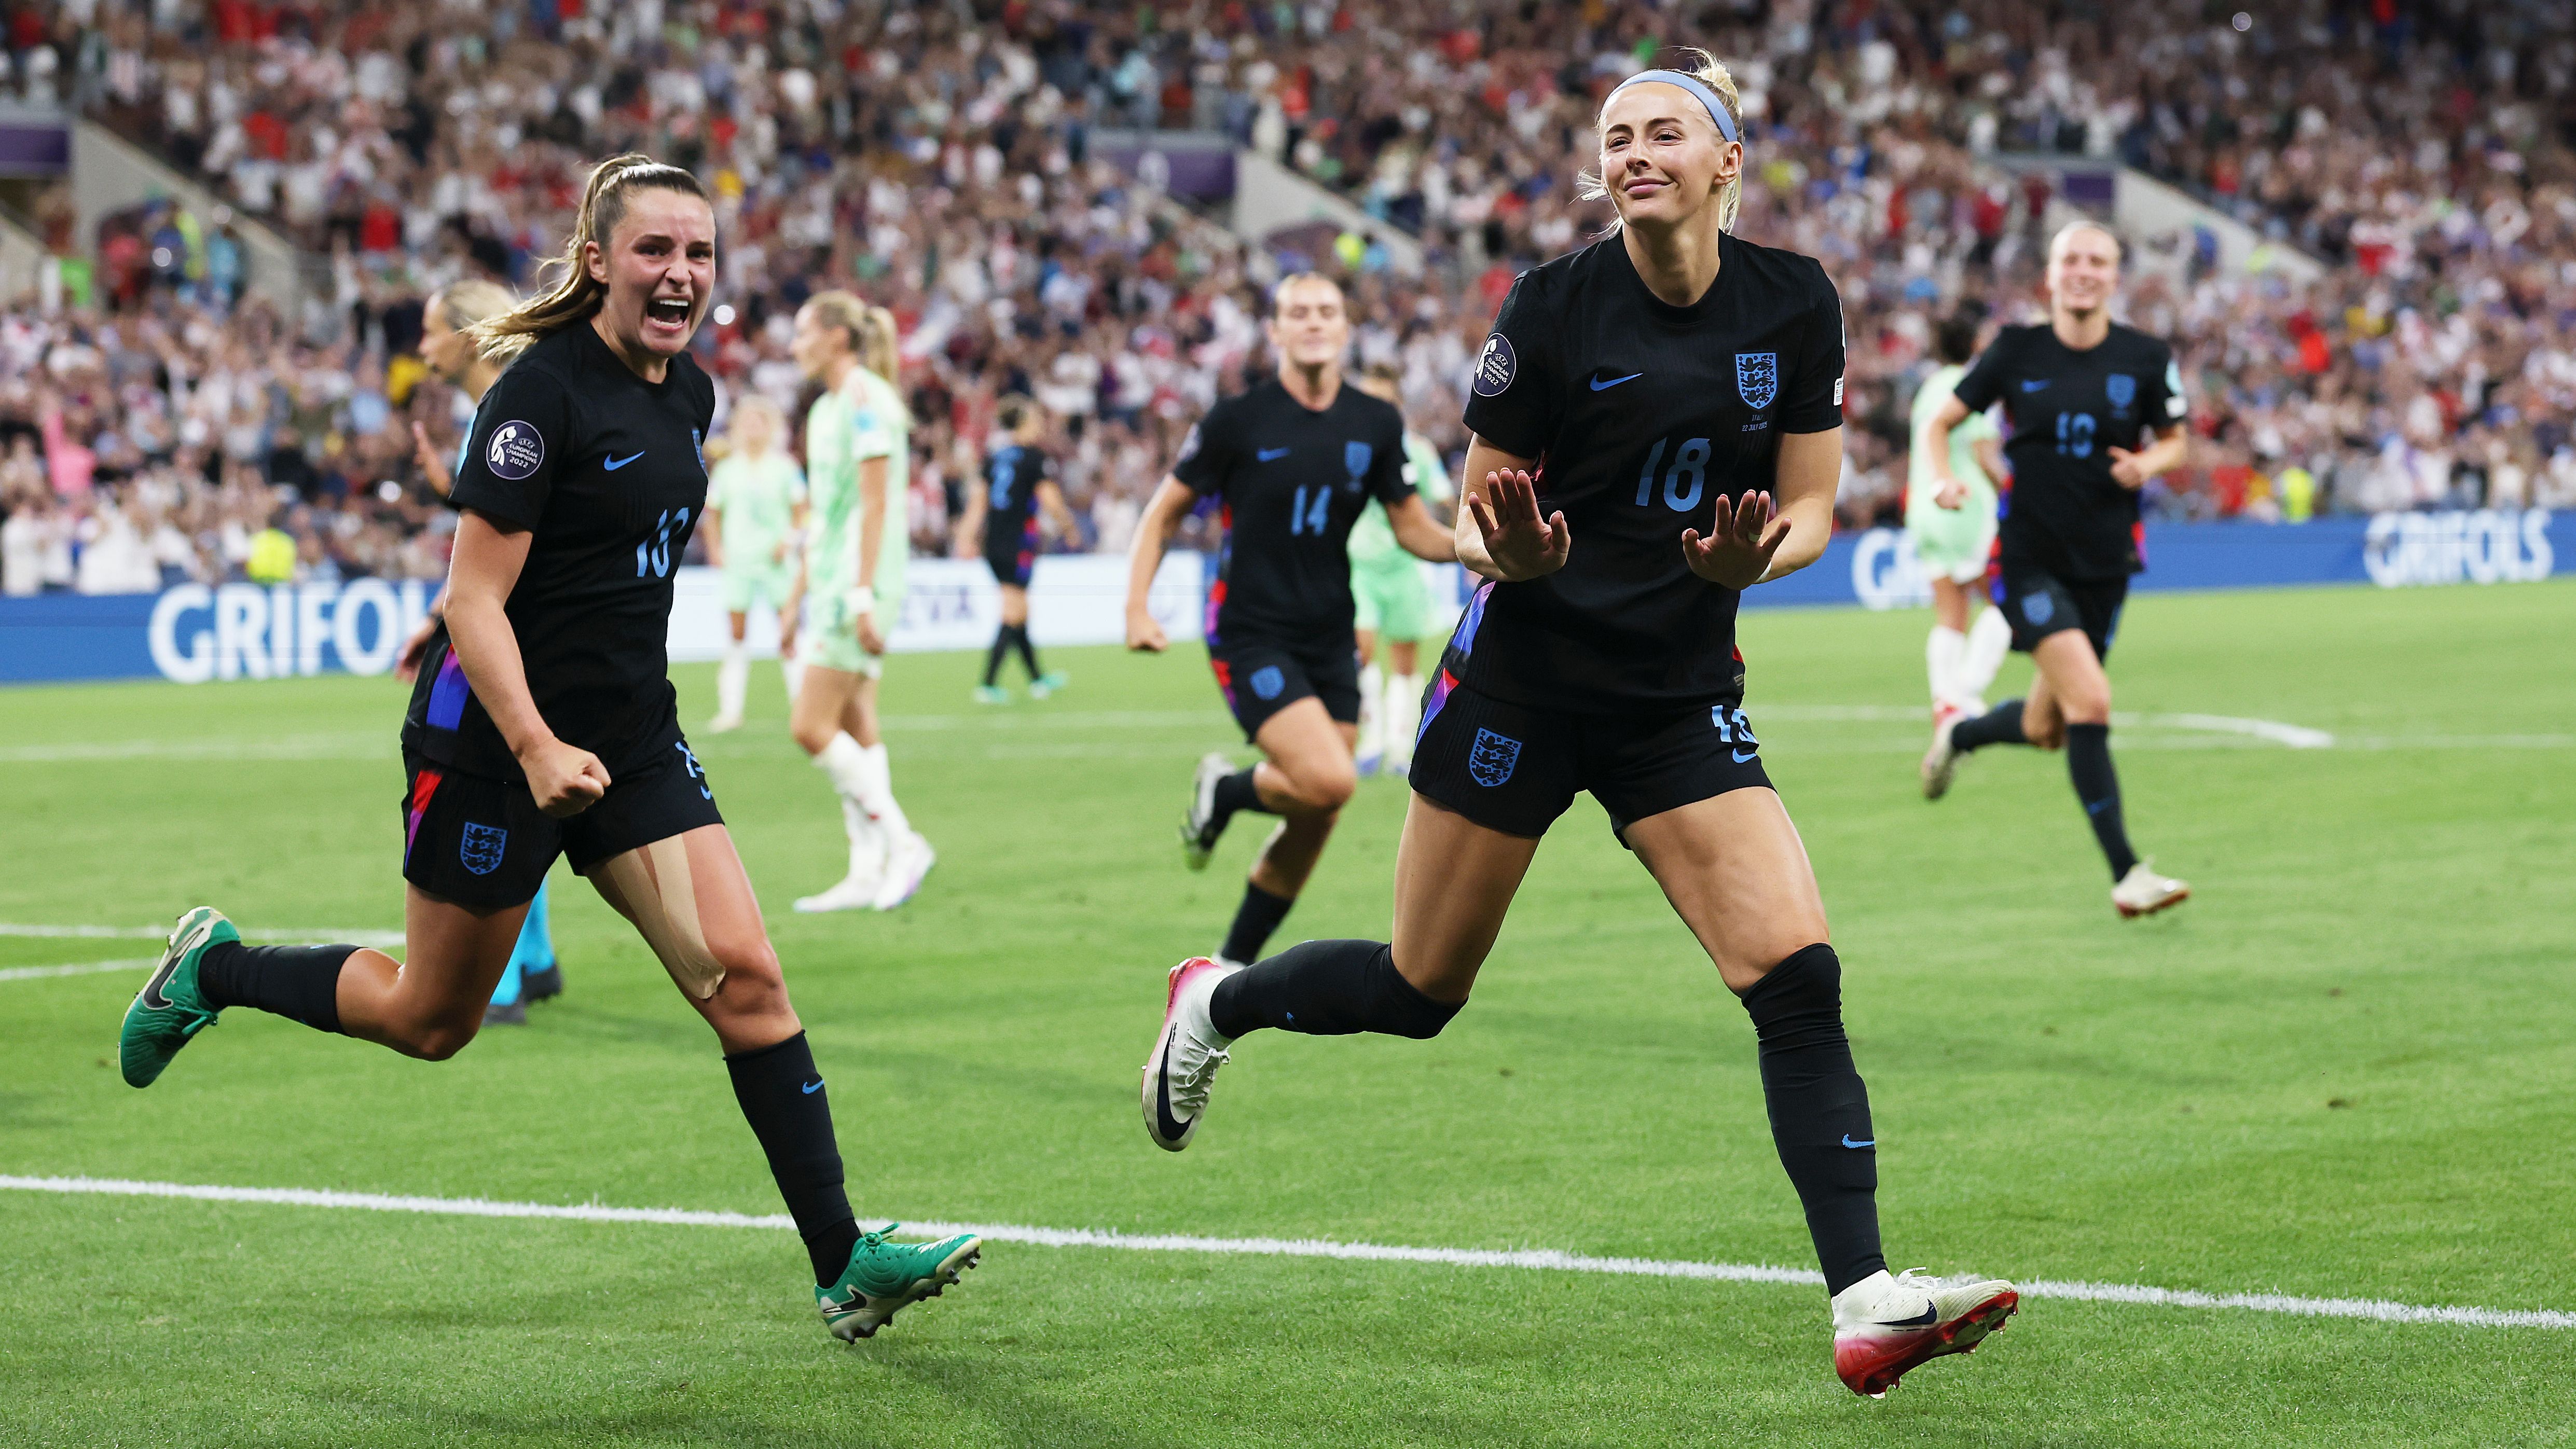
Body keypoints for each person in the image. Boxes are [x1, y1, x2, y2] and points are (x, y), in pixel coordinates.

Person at [1136, 55, 2017, 1399]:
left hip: (1672, 697)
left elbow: (1815, 505)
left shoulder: (1795, 302)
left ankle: (1863, 1299)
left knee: (1796, 975)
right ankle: (1220, 997)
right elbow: (1484, 508)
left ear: (1727, 160)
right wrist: (1520, 555)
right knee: (1418, 991)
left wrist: (1751, 562)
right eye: (1614, 136)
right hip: (1519, 689)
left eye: (1663, 131)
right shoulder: (1549, 307)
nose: (1631, 152)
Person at [117, 155, 981, 1341]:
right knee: (432, 1019)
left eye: (699, 253)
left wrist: (612, 731)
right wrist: (531, 746)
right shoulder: (537, 398)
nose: (680, 273)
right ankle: (211, 970)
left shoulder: (695, 395)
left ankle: (844, 1263)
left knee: (750, 985)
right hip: (492, 741)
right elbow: (475, 604)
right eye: (654, 251)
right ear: (598, 262)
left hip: (630, 741)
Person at [1123, 273, 1454, 971]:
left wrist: (1482, 551)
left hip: (1329, 631)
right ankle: (1228, 790)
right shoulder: (1235, 422)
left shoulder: (1374, 422)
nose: (1312, 322)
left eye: (1326, 311)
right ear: (1273, 331)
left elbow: (1412, 528)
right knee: (1332, 781)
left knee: (1317, 813)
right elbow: (1162, 514)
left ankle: (1225, 969)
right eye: (1296, 312)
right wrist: (1136, 607)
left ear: (1345, 329)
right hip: (1250, 630)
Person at [1918, 222, 2192, 919]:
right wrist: (1943, 478)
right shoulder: (2015, 349)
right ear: (2050, 273)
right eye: (2072, 258)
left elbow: (2176, 442)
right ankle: (2127, 873)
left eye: (2098, 260)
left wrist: (2146, 464)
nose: (2084, 270)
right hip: (2028, 561)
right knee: (2092, 702)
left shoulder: (2145, 356)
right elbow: (1937, 424)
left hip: (2106, 564)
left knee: (2050, 727)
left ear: (2115, 275)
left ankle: (1961, 732)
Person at [408, 278, 563, 1025]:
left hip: (508, 645)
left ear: (467, 339)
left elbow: (502, 564)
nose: (422, 346)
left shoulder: (502, 417)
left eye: (431, 330)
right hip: (539, 638)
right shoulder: (517, 407)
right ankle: (535, 959)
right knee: (527, 798)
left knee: (484, 802)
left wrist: (450, 616)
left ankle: (496, 982)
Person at [785, 292, 935, 914]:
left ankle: (903, 845)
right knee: (853, 722)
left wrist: (862, 595)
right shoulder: (825, 410)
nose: (794, 346)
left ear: (837, 338)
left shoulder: (868, 399)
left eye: (802, 333)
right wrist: (798, 593)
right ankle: (866, 868)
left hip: (859, 583)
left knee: (810, 726)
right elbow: (828, 512)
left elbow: (877, 505)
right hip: (833, 579)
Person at [1903, 310, 2012, 733]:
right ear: (1974, 346)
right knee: (2005, 598)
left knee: (1950, 611)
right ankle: (1962, 694)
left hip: (1925, 509)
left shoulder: (1927, 389)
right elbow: (1986, 456)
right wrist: (2018, 493)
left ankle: (1944, 703)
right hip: (1963, 507)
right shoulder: (1969, 389)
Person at [1347, 364, 1456, 778]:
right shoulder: (1347, 451)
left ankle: (1399, 743)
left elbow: (1444, 501)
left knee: (1405, 662)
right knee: (1361, 650)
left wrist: (1465, 537)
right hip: (1361, 568)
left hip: (1405, 567)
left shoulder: (1417, 451)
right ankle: (1370, 740)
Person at [955, 395, 1076, 703]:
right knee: (1013, 611)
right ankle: (988, 684)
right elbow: (1049, 498)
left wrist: (966, 537)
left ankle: (1037, 679)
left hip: (994, 543)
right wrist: (1068, 526)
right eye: (1035, 420)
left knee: (1020, 611)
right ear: (1023, 423)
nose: (1039, 427)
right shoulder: (1034, 458)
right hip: (1019, 542)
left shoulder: (995, 457)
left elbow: (978, 503)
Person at [703, 394, 807, 733]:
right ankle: (730, 710)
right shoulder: (729, 469)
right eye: (746, 422)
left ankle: (802, 706)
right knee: (735, 635)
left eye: (758, 422)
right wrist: (716, 550)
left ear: (770, 427)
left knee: (789, 633)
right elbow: (713, 515)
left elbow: (802, 510)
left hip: (777, 563)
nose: (752, 429)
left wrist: (788, 541)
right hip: (740, 563)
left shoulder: (785, 467)